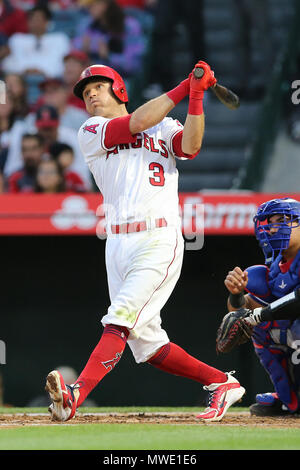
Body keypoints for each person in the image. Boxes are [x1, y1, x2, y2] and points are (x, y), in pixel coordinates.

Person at [45, 61, 246, 423]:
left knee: (119, 318)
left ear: (119, 89)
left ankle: (74, 396)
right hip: (117, 243)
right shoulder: (91, 129)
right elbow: (136, 123)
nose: (90, 93)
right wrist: (186, 86)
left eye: (98, 86)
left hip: (157, 236)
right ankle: (221, 383)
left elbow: (191, 146)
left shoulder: (167, 124)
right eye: (85, 91)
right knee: (147, 343)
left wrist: (196, 95)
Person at [224, 197, 300, 416]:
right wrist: (236, 294)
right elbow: (242, 310)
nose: (273, 228)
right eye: (269, 223)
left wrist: (260, 314)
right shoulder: (272, 266)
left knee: (295, 329)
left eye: (282, 220)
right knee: (262, 330)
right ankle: (289, 399)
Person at [73, 0, 145, 78]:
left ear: (104, 5)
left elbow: (132, 65)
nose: (88, 10)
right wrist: (84, 49)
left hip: (118, 77)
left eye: (91, 6)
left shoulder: (129, 25)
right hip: (92, 75)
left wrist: (109, 56)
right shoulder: (88, 23)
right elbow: (75, 45)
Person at [2, 5, 71, 78]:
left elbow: (64, 64)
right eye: (32, 19)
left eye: (38, 19)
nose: (35, 23)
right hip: (22, 80)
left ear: (47, 22)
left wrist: (45, 72)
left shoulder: (60, 39)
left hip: (51, 81)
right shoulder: (16, 39)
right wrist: (24, 70)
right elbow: (8, 63)